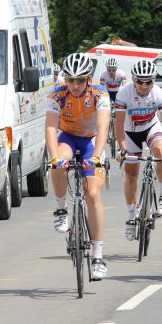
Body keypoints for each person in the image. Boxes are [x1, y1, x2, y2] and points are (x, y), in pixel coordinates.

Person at [46, 53, 110, 279]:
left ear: (89, 79)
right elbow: (51, 128)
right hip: (69, 138)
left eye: (80, 80)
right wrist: (55, 158)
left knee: (92, 194)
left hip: (92, 141)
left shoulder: (100, 93)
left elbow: (103, 127)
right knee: (59, 160)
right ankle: (61, 207)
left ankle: (98, 256)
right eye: (69, 79)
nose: (74, 85)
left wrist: (98, 156)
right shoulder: (57, 94)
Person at [114, 59, 162, 240]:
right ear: (133, 80)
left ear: (153, 80)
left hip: (151, 128)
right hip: (130, 132)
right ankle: (130, 217)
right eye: (140, 81)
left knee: (160, 152)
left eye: (149, 81)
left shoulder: (159, 93)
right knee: (131, 174)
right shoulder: (123, 93)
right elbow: (118, 124)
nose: (144, 86)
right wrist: (121, 147)